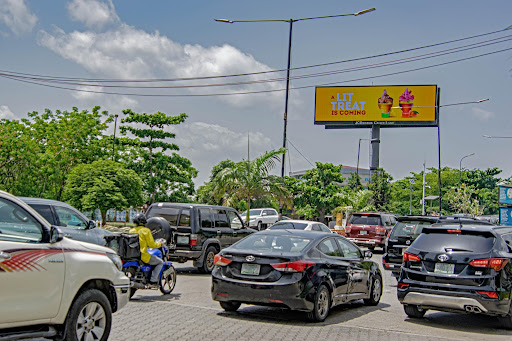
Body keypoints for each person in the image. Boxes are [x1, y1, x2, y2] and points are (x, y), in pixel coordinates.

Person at [129, 213, 163, 285]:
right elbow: (152, 245)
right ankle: (153, 280)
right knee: (160, 262)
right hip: (143, 255)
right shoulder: (146, 231)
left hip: (133, 255)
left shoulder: (131, 231)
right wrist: (160, 244)